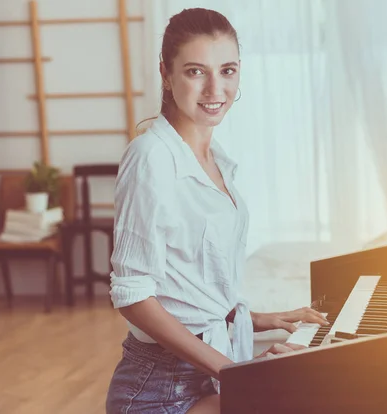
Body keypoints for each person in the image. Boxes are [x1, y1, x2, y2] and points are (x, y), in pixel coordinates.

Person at [105, 7, 329, 414]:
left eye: (227, 70)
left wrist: (255, 319)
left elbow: (188, 280)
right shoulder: (151, 157)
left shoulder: (216, 158)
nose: (215, 89)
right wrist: (236, 374)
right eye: (196, 71)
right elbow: (134, 296)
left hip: (208, 367)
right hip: (160, 390)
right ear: (166, 74)